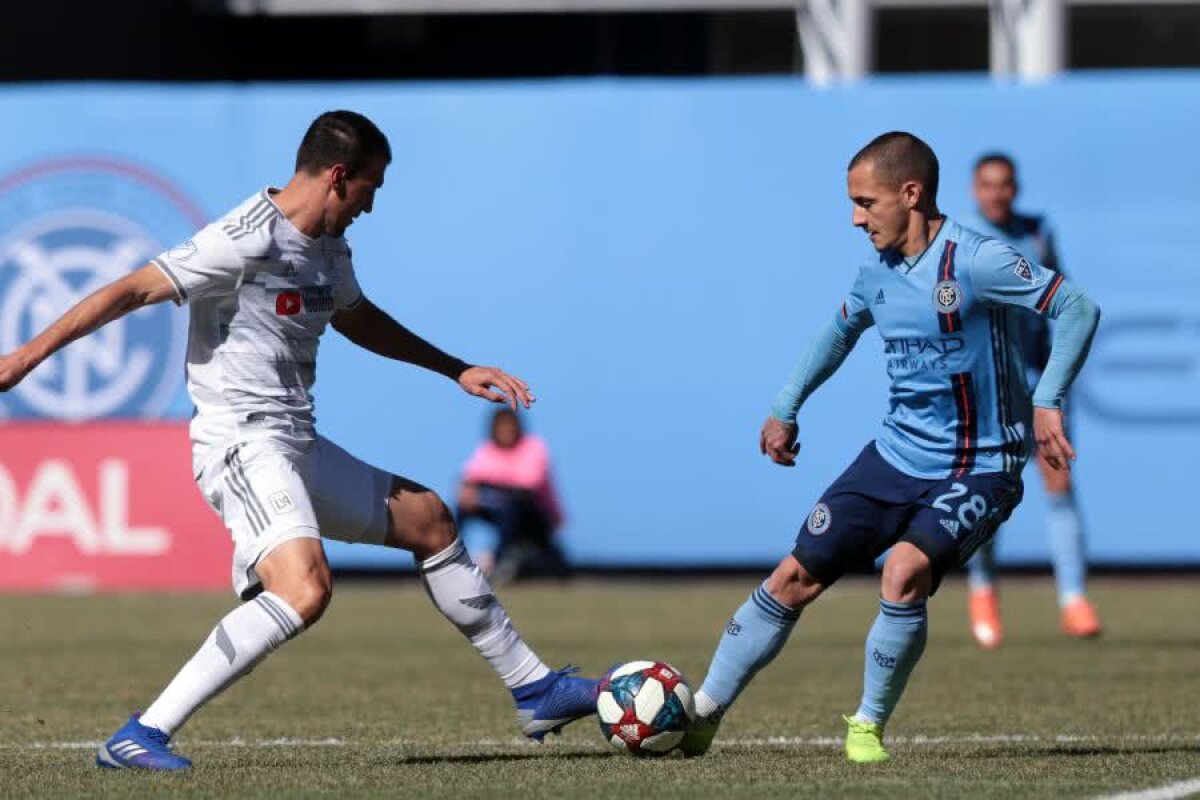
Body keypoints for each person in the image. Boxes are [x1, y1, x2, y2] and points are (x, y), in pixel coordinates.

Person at [0, 110, 597, 771]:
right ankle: (139, 734)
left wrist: (455, 368)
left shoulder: (330, 249)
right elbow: (131, 289)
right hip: (241, 445)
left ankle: (533, 688)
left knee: (428, 518)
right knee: (306, 589)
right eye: (370, 189)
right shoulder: (244, 239)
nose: (370, 208)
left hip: (294, 444)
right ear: (340, 177)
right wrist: (24, 358)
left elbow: (357, 318)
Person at [679, 132, 1100, 764]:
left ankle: (867, 727)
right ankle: (701, 716)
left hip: (982, 465)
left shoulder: (979, 261)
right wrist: (784, 408)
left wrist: (1047, 400)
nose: (855, 217)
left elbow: (1076, 308)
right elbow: (838, 332)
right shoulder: (875, 272)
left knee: (903, 571)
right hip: (894, 457)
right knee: (792, 578)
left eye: (865, 202)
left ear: (911, 194)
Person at [963, 153, 1101, 647]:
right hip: (990, 385)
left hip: (1039, 381)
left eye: (1005, 185)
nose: (997, 194)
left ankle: (1074, 597)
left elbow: (1063, 302)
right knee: (989, 491)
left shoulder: (1038, 233)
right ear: (974, 189)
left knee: (1059, 479)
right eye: (988, 185)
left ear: (1015, 188)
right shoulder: (961, 238)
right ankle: (983, 592)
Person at [456, 408, 570, 582]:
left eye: (509, 427)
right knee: (464, 507)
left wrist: (488, 484)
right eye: (501, 428)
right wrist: (469, 491)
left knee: (513, 508)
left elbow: (528, 484)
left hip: (536, 517)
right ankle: (453, 558)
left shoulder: (533, 447)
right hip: (502, 513)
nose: (506, 432)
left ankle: (498, 562)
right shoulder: (488, 449)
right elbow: (470, 477)